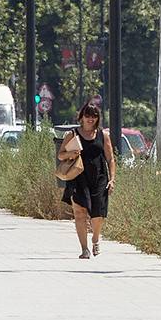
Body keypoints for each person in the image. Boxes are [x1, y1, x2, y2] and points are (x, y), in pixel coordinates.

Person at [59, 102, 116, 258]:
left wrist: (112, 179)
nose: (90, 119)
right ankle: (84, 249)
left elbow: (110, 159)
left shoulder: (103, 135)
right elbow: (60, 155)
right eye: (87, 116)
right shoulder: (72, 134)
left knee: (98, 213)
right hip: (78, 178)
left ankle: (95, 238)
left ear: (98, 118)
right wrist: (71, 154)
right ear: (82, 117)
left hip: (99, 177)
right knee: (79, 213)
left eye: (94, 116)